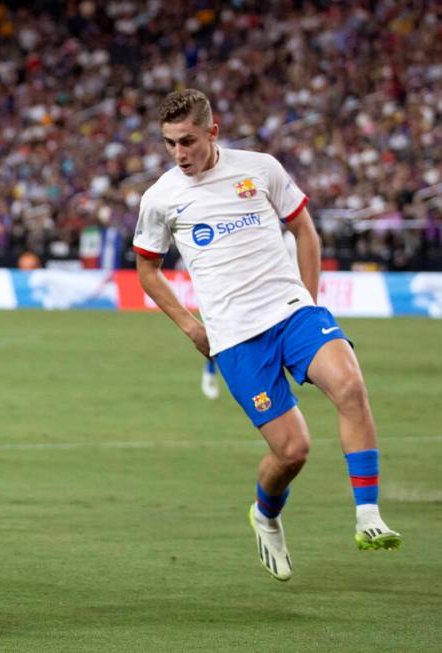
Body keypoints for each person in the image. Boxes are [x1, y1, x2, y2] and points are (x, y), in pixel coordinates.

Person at [133, 89, 401, 582]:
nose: (179, 153)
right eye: (169, 144)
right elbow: (147, 271)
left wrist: (311, 301)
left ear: (212, 132)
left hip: (291, 312)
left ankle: (368, 516)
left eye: (187, 141)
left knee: (350, 386)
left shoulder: (260, 168)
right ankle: (266, 514)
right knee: (292, 451)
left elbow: (305, 232)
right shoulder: (161, 198)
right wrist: (192, 326)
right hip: (235, 338)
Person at [199, 230, 299, 401]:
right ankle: (211, 371)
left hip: (278, 294)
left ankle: (270, 385)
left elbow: (294, 268)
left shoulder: (288, 238)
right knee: (225, 336)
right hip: (243, 294)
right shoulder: (252, 231)